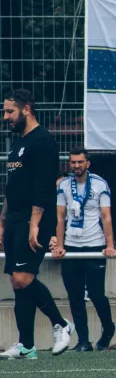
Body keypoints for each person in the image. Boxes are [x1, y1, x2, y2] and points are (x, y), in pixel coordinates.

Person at [0, 89, 73, 360]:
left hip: (36, 220)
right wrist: (2, 221)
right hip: (16, 219)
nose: (6, 116)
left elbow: (43, 188)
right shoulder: (18, 144)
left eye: (10, 111)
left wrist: (35, 225)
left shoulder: (43, 141)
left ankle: (62, 324)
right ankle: (27, 346)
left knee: (23, 278)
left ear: (26, 109)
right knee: (17, 282)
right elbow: (12, 187)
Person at [52, 147, 116, 352]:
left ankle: (108, 328)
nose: (77, 166)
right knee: (75, 296)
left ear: (88, 163)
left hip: (94, 245)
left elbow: (106, 216)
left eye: (80, 162)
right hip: (72, 246)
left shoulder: (99, 184)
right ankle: (83, 341)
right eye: (73, 162)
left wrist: (110, 245)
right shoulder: (63, 185)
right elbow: (60, 218)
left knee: (97, 295)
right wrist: (60, 245)